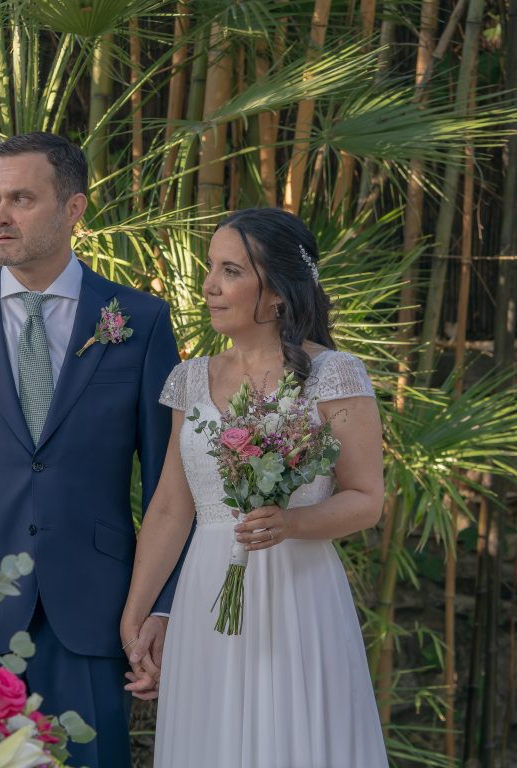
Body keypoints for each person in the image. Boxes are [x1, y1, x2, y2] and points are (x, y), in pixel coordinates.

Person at [0, 132, 180, 768]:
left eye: (21, 198)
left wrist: (162, 607)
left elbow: (169, 488)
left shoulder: (141, 321)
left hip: (97, 612)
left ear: (73, 210)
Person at [120, 207, 389, 767]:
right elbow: (171, 508)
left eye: (231, 271)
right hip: (204, 597)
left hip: (298, 595)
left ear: (278, 294)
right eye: (210, 267)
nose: (210, 286)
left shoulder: (334, 374)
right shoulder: (189, 378)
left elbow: (367, 499)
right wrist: (138, 613)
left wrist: (292, 523)